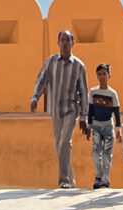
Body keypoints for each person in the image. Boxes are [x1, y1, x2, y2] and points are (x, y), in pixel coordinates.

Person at [30, 28, 89, 189]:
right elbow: (41, 79)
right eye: (62, 40)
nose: (64, 43)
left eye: (67, 40)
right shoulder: (51, 62)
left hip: (71, 109)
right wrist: (35, 97)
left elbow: (84, 92)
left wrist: (84, 116)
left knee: (64, 143)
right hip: (55, 109)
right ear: (58, 43)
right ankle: (71, 179)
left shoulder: (78, 66)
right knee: (59, 146)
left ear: (73, 43)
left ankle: (64, 181)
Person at [86, 62, 122, 189]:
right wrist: (89, 126)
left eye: (104, 74)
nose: (102, 76)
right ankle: (98, 176)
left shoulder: (112, 94)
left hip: (108, 127)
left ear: (109, 75)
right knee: (96, 152)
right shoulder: (93, 92)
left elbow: (116, 112)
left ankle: (105, 178)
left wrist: (118, 129)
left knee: (107, 153)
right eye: (99, 74)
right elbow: (90, 110)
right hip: (96, 126)